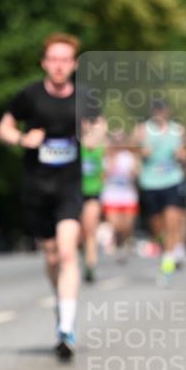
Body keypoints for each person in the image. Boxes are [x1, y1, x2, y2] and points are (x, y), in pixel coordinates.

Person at [0, 33, 84, 361]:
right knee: (52, 258)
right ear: (45, 63)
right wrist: (22, 139)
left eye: (65, 60)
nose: (59, 65)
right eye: (54, 59)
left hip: (69, 188)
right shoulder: (30, 96)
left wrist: (94, 134)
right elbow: (3, 129)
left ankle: (67, 328)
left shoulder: (85, 98)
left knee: (68, 253)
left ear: (74, 64)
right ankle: (62, 303)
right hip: (36, 189)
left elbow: (100, 127)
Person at [134, 97, 186, 282]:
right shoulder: (142, 130)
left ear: (168, 111)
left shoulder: (178, 130)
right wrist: (141, 152)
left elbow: (185, 154)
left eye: (162, 109)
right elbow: (134, 151)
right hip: (150, 183)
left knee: (172, 221)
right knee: (157, 226)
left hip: (172, 180)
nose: (159, 113)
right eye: (156, 109)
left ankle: (167, 263)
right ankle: (168, 250)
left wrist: (182, 155)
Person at [101, 133, 139, 260]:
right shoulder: (105, 158)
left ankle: (124, 242)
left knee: (127, 225)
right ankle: (118, 244)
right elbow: (102, 177)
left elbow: (136, 174)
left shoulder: (128, 157)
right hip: (111, 196)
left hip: (128, 195)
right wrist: (111, 163)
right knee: (115, 225)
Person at [80, 115, 107, 282]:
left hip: (93, 193)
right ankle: (81, 253)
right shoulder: (76, 145)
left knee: (90, 229)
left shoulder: (102, 147)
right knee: (78, 232)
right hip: (75, 193)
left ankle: (91, 264)